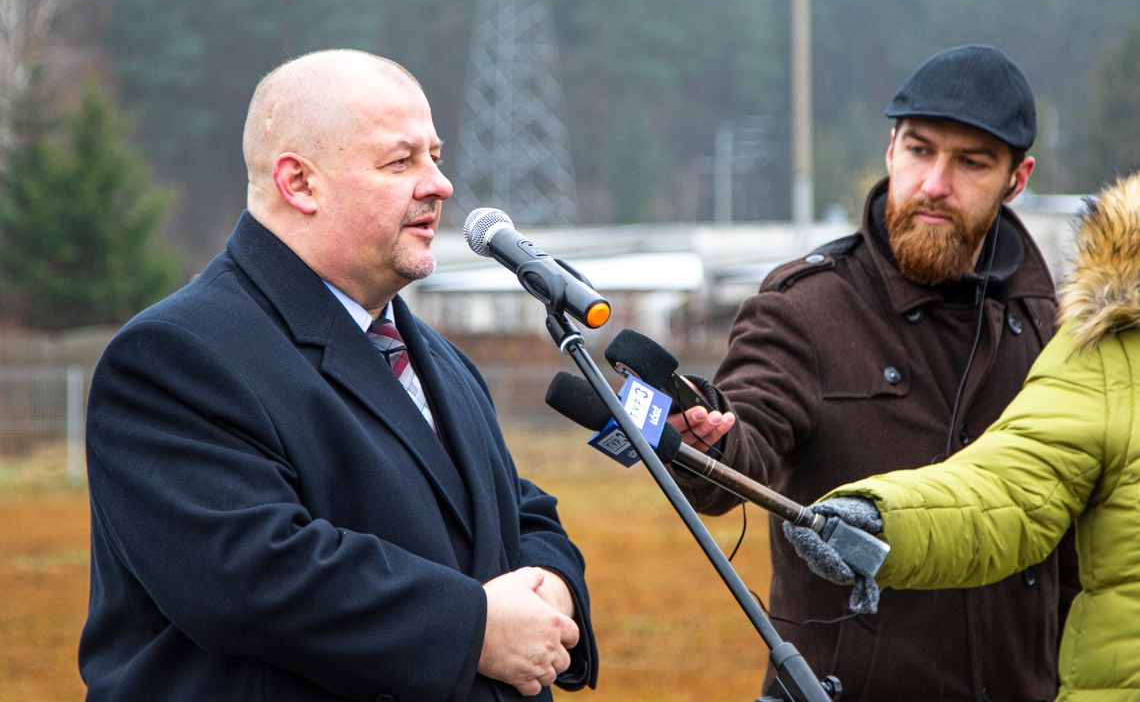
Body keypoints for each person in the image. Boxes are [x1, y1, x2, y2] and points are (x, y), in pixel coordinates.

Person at [79, 49, 597, 702]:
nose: (439, 184)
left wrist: (553, 591)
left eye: (435, 156)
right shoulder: (175, 356)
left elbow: (514, 514)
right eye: (401, 161)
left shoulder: (437, 358)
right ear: (300, 183)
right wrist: (476, 627)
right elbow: (251, 576)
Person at [668, 44, 1079, 700]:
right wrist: (700, 436)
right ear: (891, 149)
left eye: (970, 162)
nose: (935, 184)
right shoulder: (806, 306)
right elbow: (744, 439)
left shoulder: (1052, 322)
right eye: (919, 150)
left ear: (1017, 178)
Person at [787, 170, 1140, 701]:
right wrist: (883, 521)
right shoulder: (1109, 349)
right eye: (918, 149)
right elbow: (1008, 493)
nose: (936, 183)